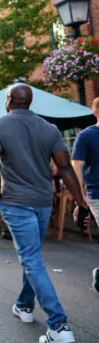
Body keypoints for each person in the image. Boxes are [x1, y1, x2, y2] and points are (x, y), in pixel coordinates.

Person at [0, 84, 86, 343]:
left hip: (16, 203)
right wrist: (80, 202)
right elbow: (64, 167)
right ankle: (24, 306)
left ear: (9, 100)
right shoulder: (49, 128)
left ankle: (59, 327)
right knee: (32, 256)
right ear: (29, 102)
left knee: (31, 259)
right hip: (43, 202)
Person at [71, 96, 99, 294]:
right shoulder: (86, 136)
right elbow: (77, 167)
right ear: (96, 112)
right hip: (96, 192)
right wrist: (80, 201)